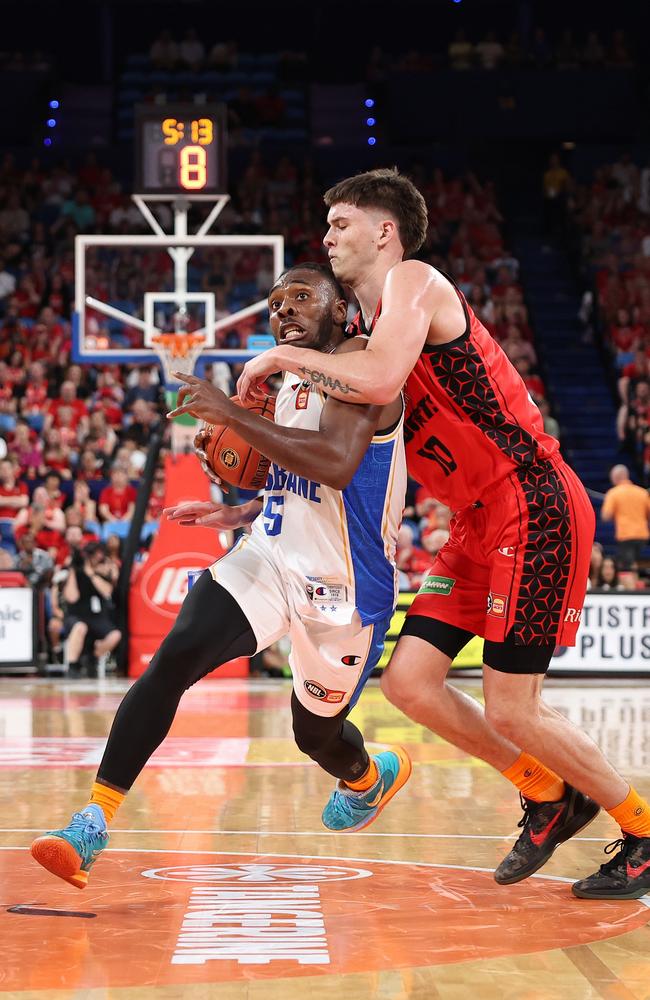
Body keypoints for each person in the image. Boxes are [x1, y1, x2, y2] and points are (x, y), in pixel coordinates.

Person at [237, 167, 650, 900]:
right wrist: (243, 506)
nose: (328, 236)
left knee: (512, 705)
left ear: (385, 232)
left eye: (342, 224)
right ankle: (548, 794)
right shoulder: (356, 334)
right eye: (327, 226)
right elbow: (339, 455)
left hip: (532, 499)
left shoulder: (416, 284)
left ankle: (643, 827)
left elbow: (380, 376)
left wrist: (280, 357)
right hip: (473, 522)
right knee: (410, 683)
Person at [30, 263, 410, 889]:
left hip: (346, 591)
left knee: (315, 736)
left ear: (340, 310)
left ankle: (369, 776)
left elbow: (339, 466)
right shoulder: (288, 382)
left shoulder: (368, 367)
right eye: (274, 303)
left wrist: (229, 411)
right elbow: (298, 479)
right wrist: (238, 509)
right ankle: (91, 821)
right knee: (174, 658)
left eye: (300, 297)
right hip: (268, 554)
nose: (283, 310)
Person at [62, 541, 122, 679]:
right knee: (80, 627)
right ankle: (73, 666)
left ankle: (92, 659)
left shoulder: (102, 572)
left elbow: (107, 592)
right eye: (93, 555)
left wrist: (91, 574)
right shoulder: (76, 573)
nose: (97, 558)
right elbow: (71, 597)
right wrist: (73, 570)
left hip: (96, 617)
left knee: (115, 635)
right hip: (76, 615)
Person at [601, 464, 650, 570]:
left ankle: (632, 586)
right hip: (643, 535)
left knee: (627, 568)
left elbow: (605, 516)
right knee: (636, 564)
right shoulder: (642, 492)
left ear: (615, 478)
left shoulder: (613, 493)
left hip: (626, 535)